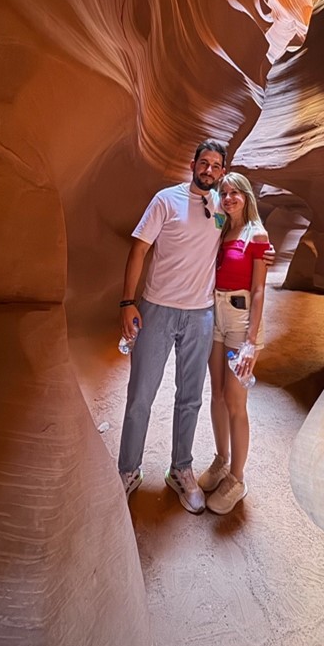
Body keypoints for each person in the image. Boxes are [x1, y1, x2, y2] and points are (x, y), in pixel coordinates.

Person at [117, 139, 228, 514]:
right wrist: (127, 302)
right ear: (193, 164)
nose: (208, 170)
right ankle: (128, 471)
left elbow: (244, 236)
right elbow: (139, 249)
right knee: (141, 396)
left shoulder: (221, 208)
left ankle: (180, 469)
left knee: (190, 397)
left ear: (222, 172)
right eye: (204, 162)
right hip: (158, 310)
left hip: (200, 315)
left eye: (216, 165)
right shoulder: (166, 200)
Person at [198, 173, 271, 514]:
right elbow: (204, 204)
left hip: (240, 322)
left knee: (235, 399)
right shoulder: (221, 229)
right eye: (224, 193)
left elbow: (258, 290)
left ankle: (237, 479)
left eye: (234, 193)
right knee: (215, 392)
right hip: (215, 316)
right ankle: (221, 460)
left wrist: (251, 344)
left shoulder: (256, 234)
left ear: (247, 196)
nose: (228, 198)